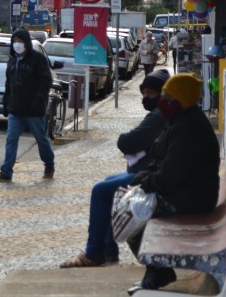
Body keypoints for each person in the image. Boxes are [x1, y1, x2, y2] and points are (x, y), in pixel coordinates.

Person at [59, 69, 170, 268]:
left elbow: (128, 142)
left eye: (151, 93)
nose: (146, 97)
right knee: (110, 180)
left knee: (100, 190)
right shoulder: (164, 112)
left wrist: (125, 139)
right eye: (143, 93)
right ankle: (109, 250)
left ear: (162, 93)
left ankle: (94, 253)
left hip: (157, 177)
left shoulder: (159, 115)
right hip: (159, 172)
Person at [126, 73, 220, 292]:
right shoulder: (179, 121)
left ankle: (156, 271)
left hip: (192, 198)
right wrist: (142, 180)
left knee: (135, 213)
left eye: (169, 98)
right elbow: (159, 159)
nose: (163, 102)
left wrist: (145, 185)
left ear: (183, 100)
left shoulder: (189, 128)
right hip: (184, 192)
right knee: (133, 207)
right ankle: (157, 270)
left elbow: (170, 174)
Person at [0, 27, 55, 182]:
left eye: (20, 42)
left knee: (41, 139)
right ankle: (6, 171)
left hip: (33, 110)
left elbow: (46, 81)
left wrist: (39, 100)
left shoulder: (38, 59)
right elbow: (9, 83)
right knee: (11, 139)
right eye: (15, 42)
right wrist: (6, 103)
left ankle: (49, 164)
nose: (17, 44)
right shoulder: (12, 61)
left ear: (26, 43)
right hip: (16, 109)